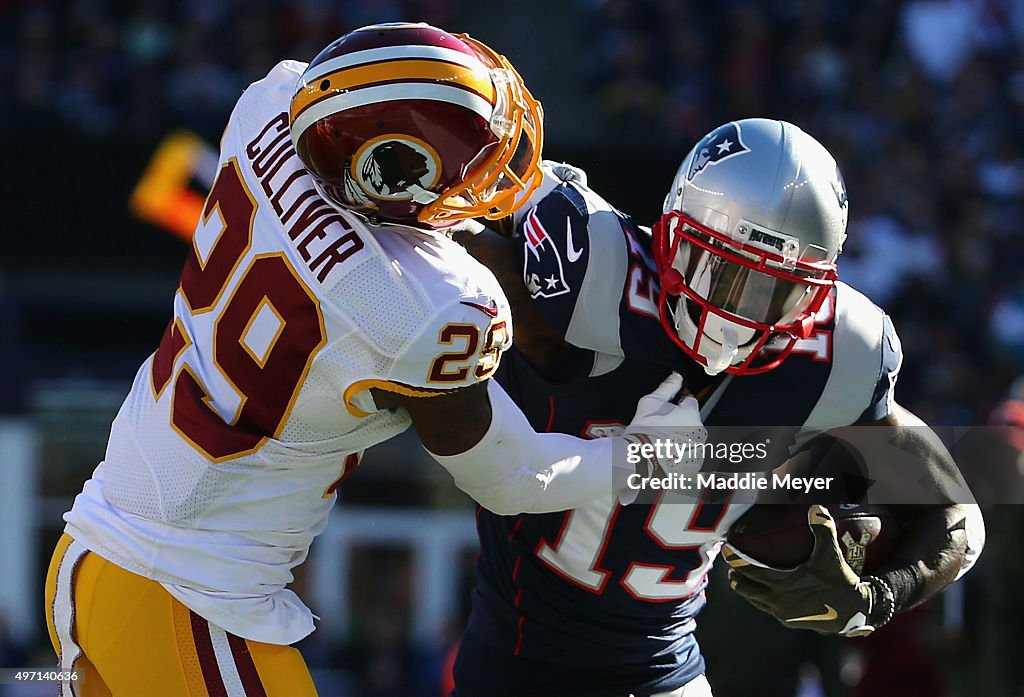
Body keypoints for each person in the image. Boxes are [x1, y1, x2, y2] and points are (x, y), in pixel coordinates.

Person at [43, 23, 707, 697]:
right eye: (477, 161)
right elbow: (514, 477)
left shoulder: (268, 103)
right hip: (189, 598)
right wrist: (640, 455)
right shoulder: (427, 309)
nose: (489, 177)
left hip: (97, 548)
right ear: (395, 169)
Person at [450, 118, 985, 696]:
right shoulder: (591, 273)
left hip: (665, 670)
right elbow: (432, 242)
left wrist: (882, 596)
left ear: (817, 291)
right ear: (671, 229)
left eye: (774, 289)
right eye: (717, 269)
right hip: (515, 667)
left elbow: (957, 512)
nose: (735, 312)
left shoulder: (836, 359)